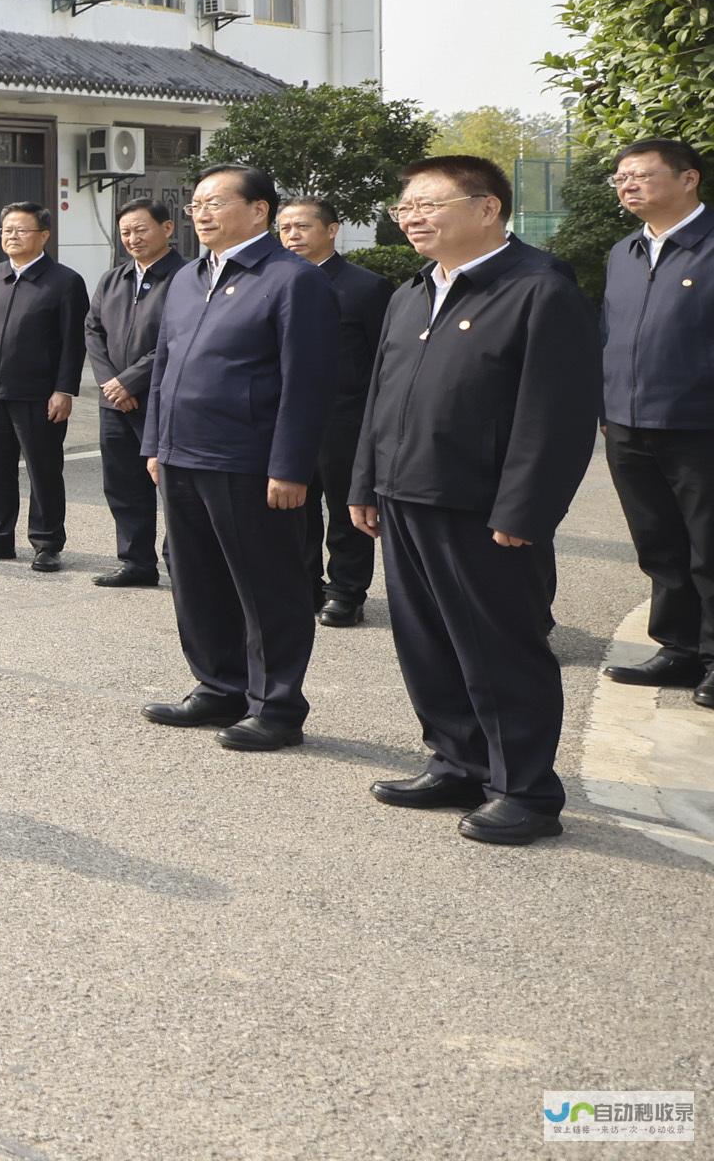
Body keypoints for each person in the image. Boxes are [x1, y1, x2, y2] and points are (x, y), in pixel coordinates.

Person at [350, 156, 601, 843]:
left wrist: (526, 509)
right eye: (405, 206)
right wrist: (364, 481)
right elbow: (380, 394)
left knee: (499, 647)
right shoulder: (411, 292)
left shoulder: (537, 288)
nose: (412, 217)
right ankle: (456, 760)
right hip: (403, 493)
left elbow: (557, 414)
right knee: (425, 642)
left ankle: (525, 790)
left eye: (429, 203)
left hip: (483, 507)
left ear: (487, 207)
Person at [137, 165, 336, 752]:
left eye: (217, 202)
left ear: (259, 212)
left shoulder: (290, 280)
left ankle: (276, 705)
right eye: (197, 203)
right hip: (181, 453)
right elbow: (164, 366)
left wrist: (291, 464)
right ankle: (217, 685)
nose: (202, 213)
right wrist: (155, 442)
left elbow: (309, 381)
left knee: (266, 583)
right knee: (194, 575)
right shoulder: (188, 277)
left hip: (247, 459)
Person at [595, 137, 714, 706]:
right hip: (628, 423)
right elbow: (609, 334)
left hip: (700, 425)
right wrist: (604, 405)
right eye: (620, 178)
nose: (627, 185)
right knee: (658, 542)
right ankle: (678, 648)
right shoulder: (625, 252)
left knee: (709, 545)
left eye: (640, 175)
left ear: (688, 179)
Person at [275, 196, 394, 626]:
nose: (292, 236)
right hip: (286, 419)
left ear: (331, 230)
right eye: (285, 228)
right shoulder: (273, 281)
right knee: (291, 508)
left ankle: (346, 590)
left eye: (303, 227)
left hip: (345, 420)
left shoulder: (366, 287)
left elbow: (386, 362)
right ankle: (304, 584)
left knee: (348, 511)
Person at [0, 203, 87, 571]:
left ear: (43, 235)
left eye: (21, 230)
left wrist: (65, 390)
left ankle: (46, 543)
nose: (12, 236)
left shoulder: (64, 282)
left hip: (39, 394)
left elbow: (72, 343)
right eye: (6, 230)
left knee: (43, 469)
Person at [84, 199, 181, 588]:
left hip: (162, 399)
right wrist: (113, 384)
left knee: (173, 486)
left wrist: (133, 380)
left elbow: (180, 337)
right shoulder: (113, 279)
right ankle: (136, 562)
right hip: (116, 402)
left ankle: (182, 563)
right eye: (126, 232)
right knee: (123, 484)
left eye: (141, 229)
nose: (133, 238)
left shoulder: (187, 277)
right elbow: (93, 331)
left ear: (168, 228)